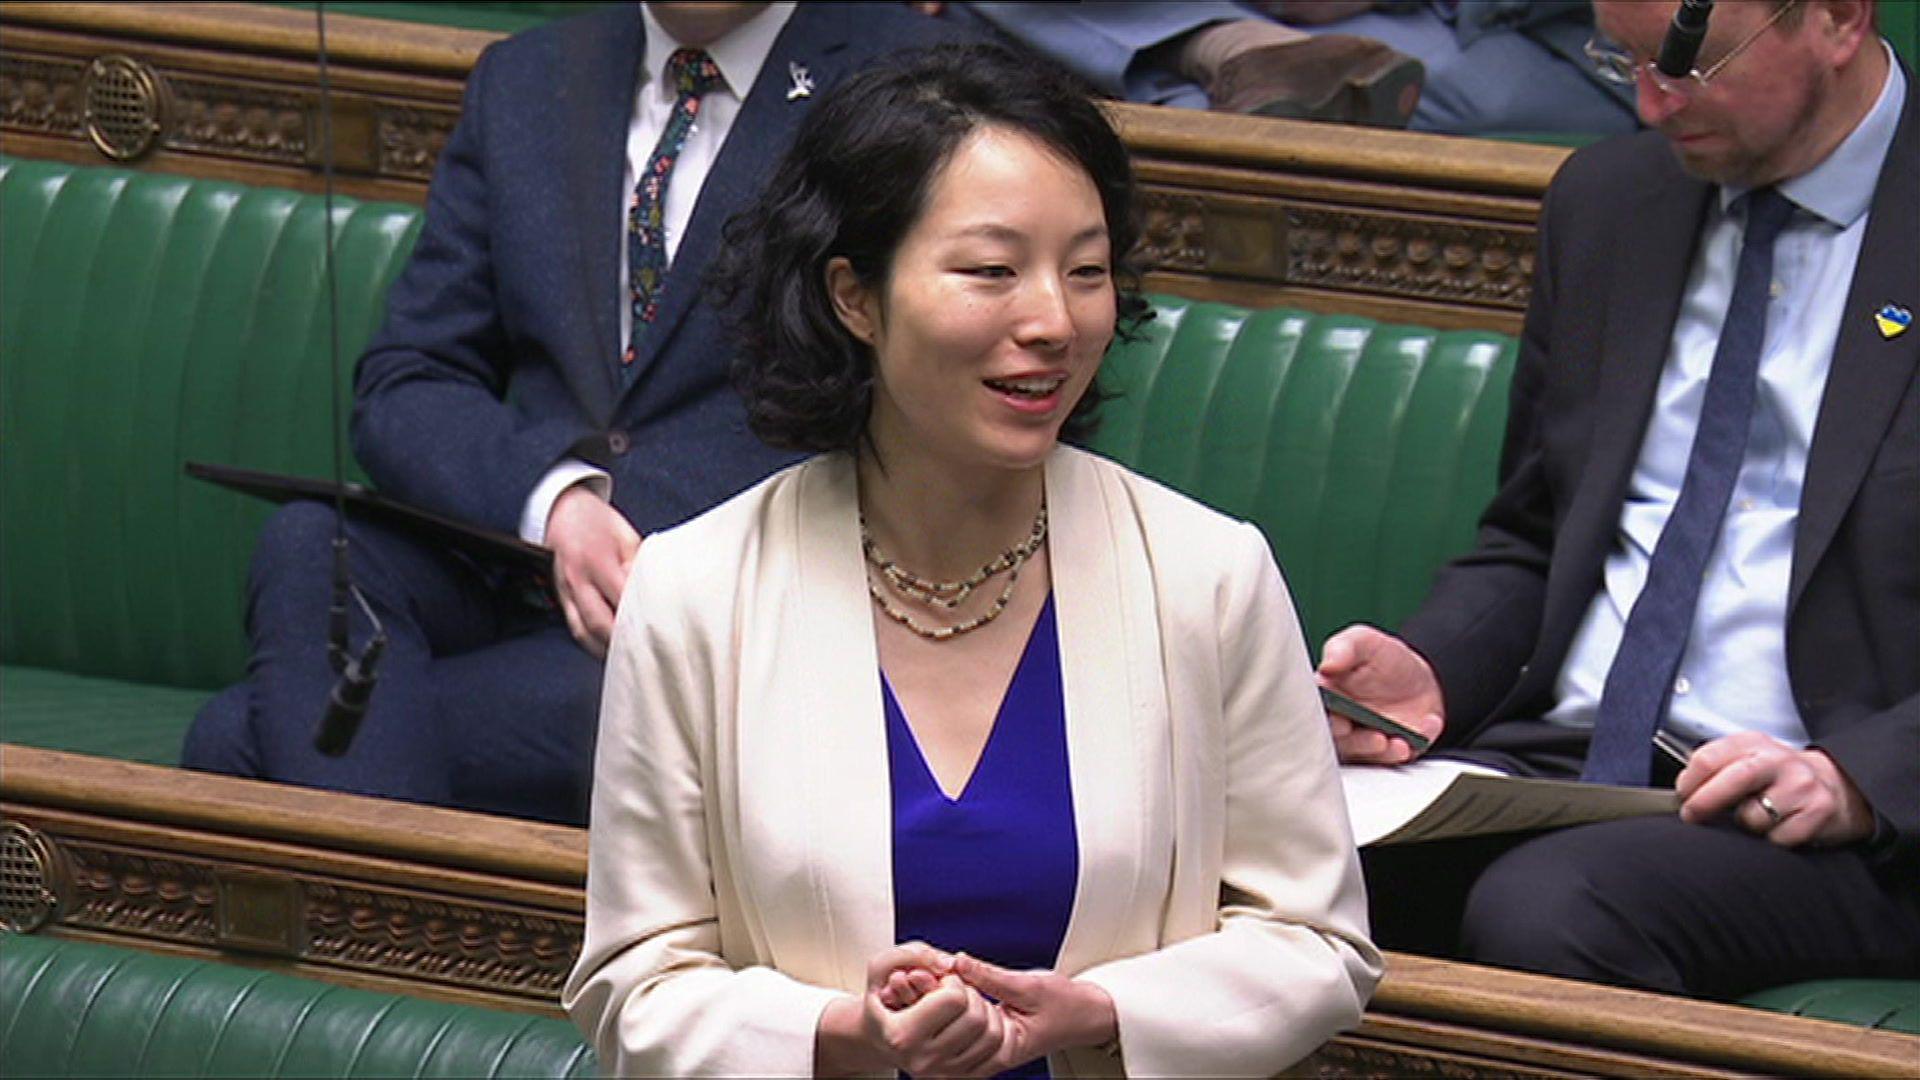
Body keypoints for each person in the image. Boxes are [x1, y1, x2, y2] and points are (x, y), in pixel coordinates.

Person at [564, 42, 1381, 1078]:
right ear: (855, 297)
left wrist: (1099, 1011)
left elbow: (1319, 943)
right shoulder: (695, 594)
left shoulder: (1207, 575)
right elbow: (633, 980)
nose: (1053, 321)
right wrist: (841, 1036)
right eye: (992, 271)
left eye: (1085, 272)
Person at [179, 2, 964, 824]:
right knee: (316, 544)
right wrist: (558, 502)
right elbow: (410, 379)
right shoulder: (526, 79)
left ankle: (399, 938)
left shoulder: (917, 82)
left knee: (239, 740)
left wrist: (682, 571)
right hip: (522, 572)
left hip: (739, 626)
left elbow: (942, 399)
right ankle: (418, 935)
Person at [1317, 0, 1919, 997]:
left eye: (1687, 62)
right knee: (1243, 850)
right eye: (1622, 60)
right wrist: (1435, 667)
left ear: (1837, 17)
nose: (1648, 105)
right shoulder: (1609, 203)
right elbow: (1536, 534)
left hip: (1847, 814)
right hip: (1571, 764)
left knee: (1550, 906)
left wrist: (1860, 778)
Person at [945, 1, 1638, 137]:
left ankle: (1221, 47)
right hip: (1329, 31)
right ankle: (1233, 43)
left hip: (1561, 46)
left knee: (1196, 129)